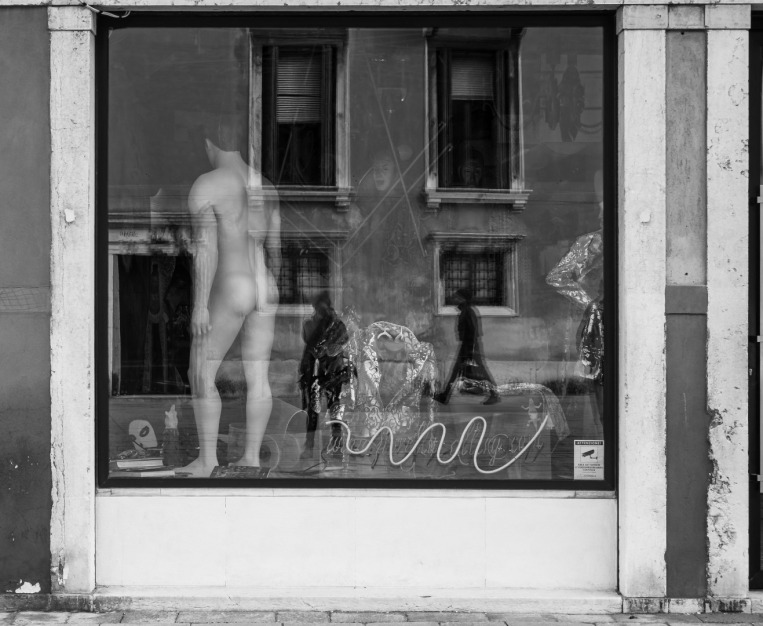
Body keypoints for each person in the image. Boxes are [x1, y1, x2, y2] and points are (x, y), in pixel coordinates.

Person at [180, 123, 280, 478]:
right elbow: (275, 248)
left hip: (232, 284)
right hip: (265, 284)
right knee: (259, 378)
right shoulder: (265, 186)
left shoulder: (207, 184)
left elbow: (205, 250)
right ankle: (251, 458)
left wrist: (199, 305)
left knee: (200, 370)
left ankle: (207, 460)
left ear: (209, 143)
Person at [299, 291, 351, 459]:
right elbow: (309, 347)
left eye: (322, 307)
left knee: (334, 410)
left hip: (333, 372)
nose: (319, 310)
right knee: (313, 412)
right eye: (318, 307)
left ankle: (336, 448)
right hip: (316, 372)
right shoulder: (310, 324)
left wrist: (330, 347)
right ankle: (309, 447)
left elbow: (341, 344)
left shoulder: (337, 325)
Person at [435, 288, 500, 405]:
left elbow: (473, 332)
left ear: (463, 298)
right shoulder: (465, 310)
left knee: (481, 372)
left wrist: (470, 351)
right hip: (467, 346)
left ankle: (494, 394)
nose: (454, 298)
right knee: (456, 371)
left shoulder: (468, 311)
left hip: (471, 347)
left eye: (457, 297)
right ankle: (445, 396)